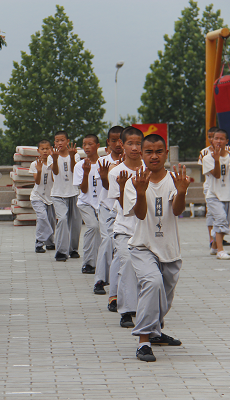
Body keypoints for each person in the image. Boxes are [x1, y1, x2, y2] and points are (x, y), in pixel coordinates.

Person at [123, 133, 190, 362]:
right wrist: (141, 192)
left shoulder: (174, 179)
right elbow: (140, 214)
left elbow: (178, 210)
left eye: (159, 151)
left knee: (164, 297)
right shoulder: (135, 181)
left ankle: (155, 331)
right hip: (143, 246)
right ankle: (143, 342)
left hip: (169, 248)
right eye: (149, 151)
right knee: (152, 283)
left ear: (166, 153)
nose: (154, 156)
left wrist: (181, 191)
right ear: (141, 154)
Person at [105, 127, 143, 328]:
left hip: (145, 230)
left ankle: (147, 309)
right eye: (130, 143)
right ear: (122, 145)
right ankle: (126, 311)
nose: (135, 148)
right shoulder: (116, 173)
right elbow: (123, 208)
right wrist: (122, 188)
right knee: (127, 264)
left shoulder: (149, 169)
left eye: (138, 144)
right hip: (124, 229)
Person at [93, 126, 124, 294]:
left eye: (121, 140)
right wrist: (105, 176)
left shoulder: (134, 161)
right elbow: (107, 187)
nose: (118, 144)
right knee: (107, 240)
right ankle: (100, 279)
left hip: (125, 210)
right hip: (107, 207)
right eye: (114, 140)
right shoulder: (102, 161)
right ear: (108, 142)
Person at [202, 128, 230, 260]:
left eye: (221, 139)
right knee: (221, 219)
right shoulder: (206, 158)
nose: (218, 141)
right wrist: (216, 160)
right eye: (216, 138)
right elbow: (217, 175)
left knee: (225, 223)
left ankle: (214, 247)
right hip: (213, 196)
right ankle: (220, 250)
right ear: (211, 140)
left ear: (226, 141)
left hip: (228, 195)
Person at [49, 131, 81, 261]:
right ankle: (62, 251)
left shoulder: (76, 155)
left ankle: (73, 249)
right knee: (62, 220)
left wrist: (73, 157)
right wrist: (55, 159)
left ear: (68, 141)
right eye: (56, 140)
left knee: (75, 223)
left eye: (62, 140)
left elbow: (75, 171)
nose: (59, 143)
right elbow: (55, 173)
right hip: (58, 194)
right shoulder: (52, 156)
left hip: (73, 193)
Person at [73, 134, 101, 274]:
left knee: (104, 233)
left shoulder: (104, 163)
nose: (87, 147)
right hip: (85, 203)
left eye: (90, 144)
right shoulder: (79, 166)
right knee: (93, 227)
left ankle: (101, 263)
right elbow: (83, 190)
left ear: (98, 145)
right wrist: (86, 173)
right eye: (84, 144)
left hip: (101, 205)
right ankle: (88, 263)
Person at [199, 127, 230, 247]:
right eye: (213, 137)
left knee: (224, 218)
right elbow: (212, 174)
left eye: (220, 138)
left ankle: (216, 242)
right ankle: (213, 241)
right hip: (211, 188)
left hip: (225, 190)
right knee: (213, 214)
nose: (217, 140)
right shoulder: (205, 153)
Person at [29, 139, 55, 253]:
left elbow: (55, 179)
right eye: (42, 149)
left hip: (50, 197)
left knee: (51, 221)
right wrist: (39, 171)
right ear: (38, 150)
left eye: (47, 148)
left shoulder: (54, 163)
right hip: (37, 197)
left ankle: (50, 242)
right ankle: (39, 243)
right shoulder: (34, 164)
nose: (45, 151)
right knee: (42, 218)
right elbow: (37, 181)